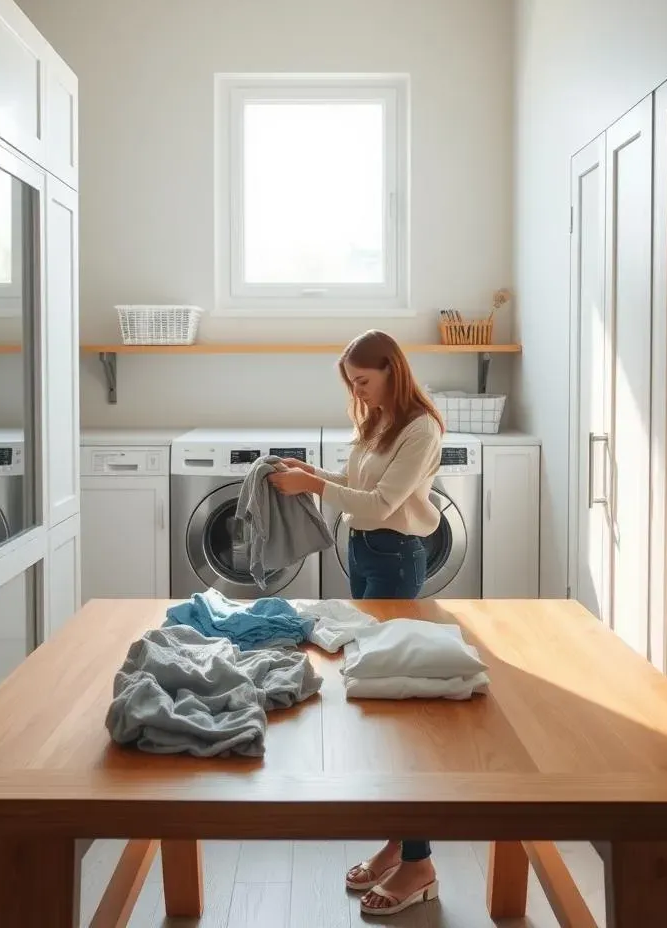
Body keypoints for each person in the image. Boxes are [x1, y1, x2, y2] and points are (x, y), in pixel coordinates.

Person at [267, 328, 444, 917]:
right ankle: (400, 842)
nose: (359, 394)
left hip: (396, 558)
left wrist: (316, 484)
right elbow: (360, 487)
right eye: (352, 385)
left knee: (393, 713)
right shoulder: (378, 421)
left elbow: (378, 505)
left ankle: (419, 863)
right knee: (375, 702)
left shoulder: (421, 429)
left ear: (392, 370)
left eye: (364, 381)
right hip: (367, 554)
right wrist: (310, 470)